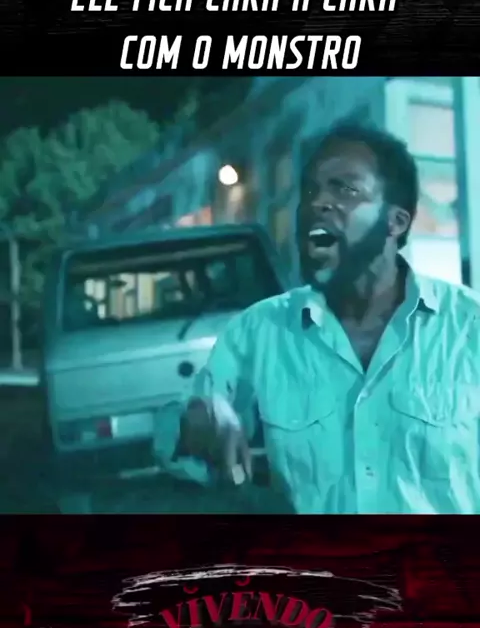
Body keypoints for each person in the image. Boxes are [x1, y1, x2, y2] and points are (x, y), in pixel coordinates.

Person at [154, 120, 480, 514]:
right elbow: (177, 429)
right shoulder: (259, 332)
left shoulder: (468, 326)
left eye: (345, 189)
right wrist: (195, 421)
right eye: (310, 190)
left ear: (395, 221)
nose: (317, 203)